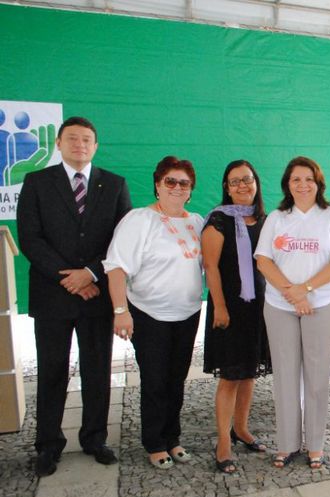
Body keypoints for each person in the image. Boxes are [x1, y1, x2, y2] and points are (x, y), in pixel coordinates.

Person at [17, 116, 132, 477]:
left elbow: (122, 240)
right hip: (53, 294)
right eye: (72, 139)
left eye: (86, 140)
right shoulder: (37, 183)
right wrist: (69, 277)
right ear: (59, 144)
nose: (79, 145)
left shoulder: (114, 184)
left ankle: (95, 438)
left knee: (98, 371)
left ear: (95, 146)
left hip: (97, 295)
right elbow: (30, 238)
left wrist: (92, 273)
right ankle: (48, 445)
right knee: (52, 372)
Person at [104, 156, 203, 470]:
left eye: (183, 183)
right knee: (155, 380)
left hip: (187, 314)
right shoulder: (139, 220)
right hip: (149, 314)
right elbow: (116, 266)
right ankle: (154, 443)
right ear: (158, 185)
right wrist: (121, 311)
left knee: (176, 379)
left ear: (190, 190)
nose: (176, 187)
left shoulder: (197, 222)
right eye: (169, 181)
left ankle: (173, 438)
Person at [254, 156, 330, 470]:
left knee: (316, 375)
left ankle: (315, 446)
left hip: (321, 304)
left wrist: (306, 289)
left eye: (308, 179)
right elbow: (264, 261)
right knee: (284, 375)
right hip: (280, 305)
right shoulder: (277, 217)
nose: (302, 184)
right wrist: (291, 292)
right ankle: (286, 444)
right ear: (287, 184)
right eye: (296, 179)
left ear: (318, 182)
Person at [202, 160, 272, 474]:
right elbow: (211, 267)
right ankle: (223, 442)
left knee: (249, 373)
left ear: (256, 182)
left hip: (260, 308)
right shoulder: (218, 221)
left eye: (247, 179)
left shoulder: (267, 221)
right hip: (228, 308)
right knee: (230, 377)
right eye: (234, 182)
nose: (242, 186)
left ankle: (241, 429)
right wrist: (219, 306)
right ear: (226, 189)